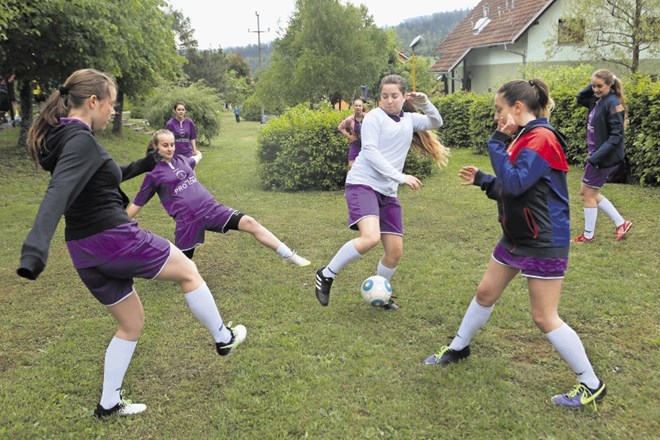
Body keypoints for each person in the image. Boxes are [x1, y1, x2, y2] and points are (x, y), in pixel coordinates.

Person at [17, 69, 246, 418]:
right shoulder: (79, 140)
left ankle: (109, 403)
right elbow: (58, 192)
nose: (112, 111)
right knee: (188, 270)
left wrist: (146, 163)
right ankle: (223, 337)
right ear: (93, 102)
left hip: (83, 250)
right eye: (110, 103)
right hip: (113, 237)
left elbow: (105, 175)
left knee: (131, 322)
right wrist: (35, 249)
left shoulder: (66, 137)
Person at [422, 79, 606, 410]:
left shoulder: (542, 138)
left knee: (544, 316)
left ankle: (591, 383)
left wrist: (496, 141)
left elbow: (518, 183)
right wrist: (484, 181)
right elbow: (516, 184)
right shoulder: (528, 136)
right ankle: (459, 347)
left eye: (499, 110)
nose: (496, 117)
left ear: (517, 109)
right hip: (519, 235)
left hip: (544, 238)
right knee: (485, 293)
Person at [315, 74, 448, 309]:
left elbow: (436, 121)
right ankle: (326, 274)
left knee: (395, 252)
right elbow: (371, 152)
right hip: (363, 183)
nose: (389, 100)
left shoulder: (409, 119)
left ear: (404, 97)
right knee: (370, 238)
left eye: (394, 96)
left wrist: (425, 101)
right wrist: (401, 177)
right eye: (384, 96)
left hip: (387, 191)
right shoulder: (374, 118)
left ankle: (381, 294)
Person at [127, 129, 311, 265]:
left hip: (211, 209)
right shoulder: (152, 176)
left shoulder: (183, 160)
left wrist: (198, 153)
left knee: (250, 222)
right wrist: (118, 222)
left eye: (172, 144)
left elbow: (197, 157)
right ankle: (141, 261)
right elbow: (137, 204)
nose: (170, 149)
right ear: (155, 146)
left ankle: (288, 254)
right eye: (165, 145)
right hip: (187, 221)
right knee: (182, 266)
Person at [572, 69, 631, 243]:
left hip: (602, 158)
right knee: (590, 192)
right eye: (593, 86)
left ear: (610, 85)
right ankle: (621, 223)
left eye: (600, 86)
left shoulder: (613, 104)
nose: (595, 89)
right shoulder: (598, 100)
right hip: (596, 155)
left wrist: (596, 157)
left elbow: (616, 137)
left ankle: (588, 236)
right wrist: (594, 87)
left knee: (587, 194)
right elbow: (579, 97)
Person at [338, 99, 367, 169]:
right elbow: (340, 127)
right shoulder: (350, 119)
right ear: (353, 107)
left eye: (360, 106)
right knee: (351, 166)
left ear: (362, 107)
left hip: (366, 144)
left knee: (367, 166)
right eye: (356, 106)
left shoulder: (368, 117)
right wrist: (349, 136)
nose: (358, 107)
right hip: (355, 144)